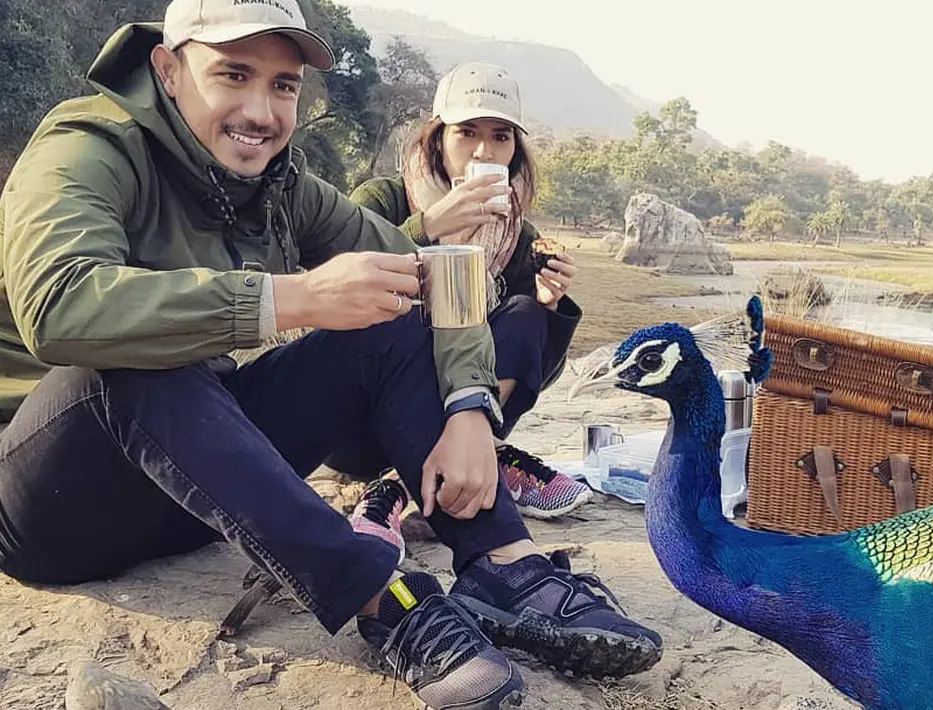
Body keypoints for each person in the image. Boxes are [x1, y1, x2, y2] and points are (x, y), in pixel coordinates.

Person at [0, 1, 662, 708]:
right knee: (131, 363)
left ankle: (504, 564)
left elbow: (431, 272)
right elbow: (60, 307)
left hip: (190, 496)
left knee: (392, 321)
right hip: (50, 507)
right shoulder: (90, 146)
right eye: (233, 74)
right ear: (167, 70)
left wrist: (471, 409)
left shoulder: (280, 186)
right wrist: (293, 298)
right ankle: (385, 601)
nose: (261, 112)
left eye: (283, 85)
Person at [341, 61, 594, 521]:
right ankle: (460, 466)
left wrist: (550, 306)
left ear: (515, 150)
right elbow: (343, 286)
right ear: (437, 137)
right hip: (367, 418)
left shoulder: (519, 237)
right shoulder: (381, 200)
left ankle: (411, 480)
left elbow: (536, 377)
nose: (484, 151)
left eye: (501, 136)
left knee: (525, 313)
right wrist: (429, 226)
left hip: (469, 418)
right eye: (467, 132)